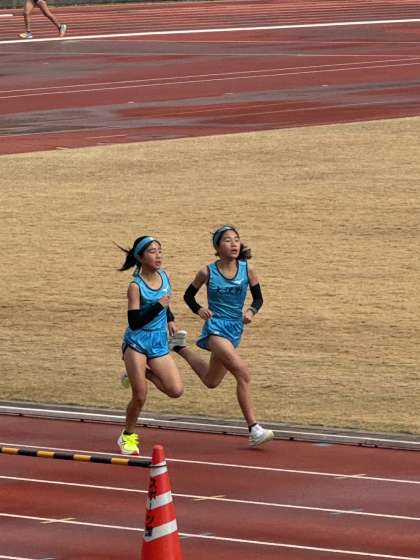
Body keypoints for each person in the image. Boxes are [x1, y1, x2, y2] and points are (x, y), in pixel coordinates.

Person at [181, 225, 274, 447]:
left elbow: (258, 298)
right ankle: (254, 429)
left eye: (236, 239)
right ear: (217, 247)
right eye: (227, 240)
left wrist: (251, 311)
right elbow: (188, 296)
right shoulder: (207, 272)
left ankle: (179, 348)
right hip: (215, 329)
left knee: (211, 381)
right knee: (243, 373)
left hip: (235, 329)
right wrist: (199, 309)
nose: (234, 244)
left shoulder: (248, 270)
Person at [116, 235, 187, 456]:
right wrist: (157, 306)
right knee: (140, 396)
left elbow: (166, 304)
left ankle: (137, 373)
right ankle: (127, 436)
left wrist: (170, 319)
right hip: (137, 342)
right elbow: (134, 321)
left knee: (175, 390)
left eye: (160, 251)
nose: (158, 256)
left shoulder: (164, 277)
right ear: (140, 257)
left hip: (158, 341)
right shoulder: (135, 286)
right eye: (152, 251)